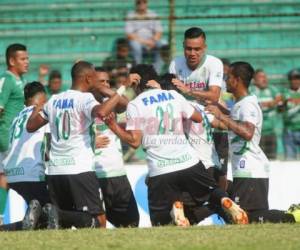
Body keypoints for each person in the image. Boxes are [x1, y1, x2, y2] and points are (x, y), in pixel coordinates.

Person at [104, 64, 248, 227]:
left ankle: (176, 212)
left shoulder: (135, 105)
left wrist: (113, 126)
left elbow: (134, 141)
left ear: (136, 83)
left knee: (161, 223)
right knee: (210, 191)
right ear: (154, 79)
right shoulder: (173, 95)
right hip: (189, 162)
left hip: (161, 169)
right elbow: (198, 118)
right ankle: (223, 199)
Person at [26, 61, 140, 229]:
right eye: (94, 77)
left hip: (55, 171)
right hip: (79, 170)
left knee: (62, 224)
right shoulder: (85, 98)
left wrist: (38, 108)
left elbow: (30, 126)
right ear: (88, 78)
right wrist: (123, 86)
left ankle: (54, 214)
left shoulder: (55, 99)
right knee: (99, 222)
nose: (97, 81)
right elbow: (101, 112)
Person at [206, 61, 300, 223]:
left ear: (237, 80)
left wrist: (221, 116)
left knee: (248, 218)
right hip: (249, 169)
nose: (226, 80)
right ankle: (292, 214)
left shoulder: (247, 105)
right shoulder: (241, 103)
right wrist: (222, 110)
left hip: (249, 168)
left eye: (228, 77)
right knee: (253, 217)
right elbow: (238, 120)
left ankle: (292, 216)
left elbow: (248, 132)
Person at [169, 27, 227, 187]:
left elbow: (214, 95)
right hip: (186, 124)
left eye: (197, 49)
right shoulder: (176, 63)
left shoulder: (214, 63)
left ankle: (224, 204)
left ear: (205, 48)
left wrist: (189, 91)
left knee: (219, 173)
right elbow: (172, 94)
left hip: (212, 123)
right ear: (183, 46)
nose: (192, 53)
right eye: (188, 49)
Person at [1, 82, 57, 231]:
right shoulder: (41, 113)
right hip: (30, 174)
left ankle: (6, 229)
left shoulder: (16, 118)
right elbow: (48, 147)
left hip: (12, 174)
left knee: (37, 216)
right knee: (52, 213)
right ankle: (7, 229)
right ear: (42, 98)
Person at [92, 68, 139, 227]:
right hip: (93, 174)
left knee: (131, 222)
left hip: (116, 172)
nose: (106, 85)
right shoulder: (84, 102)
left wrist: (107, 90)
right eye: (101, 82)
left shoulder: (112, 102)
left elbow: (127, 104)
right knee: (98, 225)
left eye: (108, 81)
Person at [0, 43, 29, 224]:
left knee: (9, 178)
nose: (27, 62)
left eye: (27, 58)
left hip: (16, 137)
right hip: (5, 136)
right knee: (6, 178)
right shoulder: (7, 79)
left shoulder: (21, 80)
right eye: (23, 59)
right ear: (12, 60)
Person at [249, 69, 282, 159]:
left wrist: (274, 102)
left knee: (272, 160)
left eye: (265, 77)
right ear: (254, 80)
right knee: (258, 159)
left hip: (271, 131)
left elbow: (280, 98)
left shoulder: (272, 89)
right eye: (261, 77)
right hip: (256, 134)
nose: (264, 79)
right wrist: (268, 104)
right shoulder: (250, 90)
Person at [125, 0, 163, 71]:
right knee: (135, 46)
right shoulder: (131, 15)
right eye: (139, 2)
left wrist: (153, 40)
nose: (141, 4)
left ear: (147, 3)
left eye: (144, 1)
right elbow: (129, 34)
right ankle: (138, 71)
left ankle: (156, 72)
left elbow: (159, 31)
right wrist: (146, 42)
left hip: (152, 40)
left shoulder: (153, 14)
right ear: (136, 3)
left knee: (163, 45)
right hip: (138, 41)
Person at [282, 68, 300, 160]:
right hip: (289, 131)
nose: (295, 81)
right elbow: (279, 110)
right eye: (292, 78)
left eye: (297, 78)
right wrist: (283, 104)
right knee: (290, 161)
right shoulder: (284, 93)